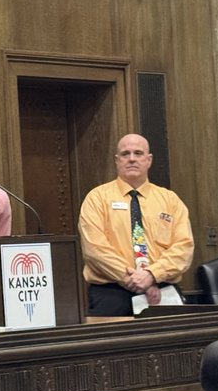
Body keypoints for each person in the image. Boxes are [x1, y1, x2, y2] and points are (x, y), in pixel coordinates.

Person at [78, 133, 194, 317]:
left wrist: (152, 275)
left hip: (163, 291)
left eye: (138, 153)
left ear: (149, 160)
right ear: (117, 160)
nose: (132, 159)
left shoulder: (170, 200)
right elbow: (95, 249)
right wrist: (133, 279)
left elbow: (184, 248)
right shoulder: (97, 198)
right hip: (111, 294)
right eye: (125, 154)